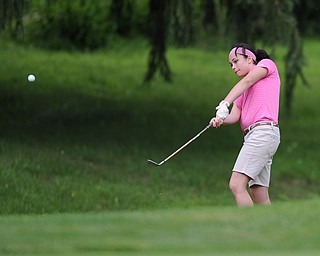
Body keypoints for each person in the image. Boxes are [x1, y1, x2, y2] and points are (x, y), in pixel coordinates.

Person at [210, 43, 281, 207]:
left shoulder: (266, 65)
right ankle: (272, 229)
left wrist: (224, 102)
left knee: (236, 184)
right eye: (230, 65)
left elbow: (248, 81)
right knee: (259, 194)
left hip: (262, 133)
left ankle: (251, 227)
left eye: (236, 61)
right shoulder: (243, 89)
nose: (233, 67)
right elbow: (235, 116)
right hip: (259, 136)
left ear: (250, 58)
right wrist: (220, 119)